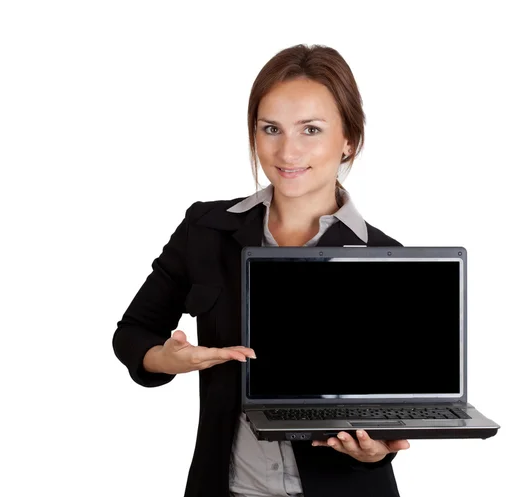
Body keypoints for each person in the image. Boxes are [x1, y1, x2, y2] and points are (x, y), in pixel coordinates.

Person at [112, 43, 410, 497]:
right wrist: (166, 359)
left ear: (349, 139)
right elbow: (133, 332)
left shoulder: (384, 257)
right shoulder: (205, 229)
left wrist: (376, 453)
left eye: (311, 129)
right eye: (271, 128)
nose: (288, 151)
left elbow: (396, 405)